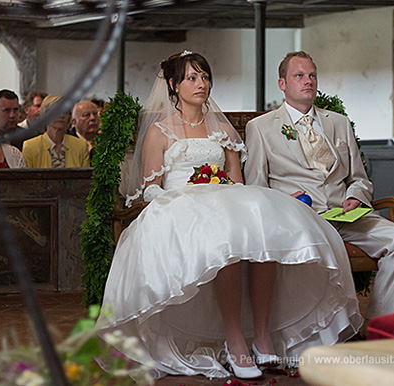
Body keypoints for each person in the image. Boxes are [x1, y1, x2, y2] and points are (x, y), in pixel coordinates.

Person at [97, 51, 362, 380]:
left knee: (264, 239)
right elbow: (151, 188)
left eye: (205, 77)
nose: (201, 84)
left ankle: (264, 341)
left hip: (224, 200)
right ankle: (236, 342)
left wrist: (219, 188)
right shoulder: (160, 132)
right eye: (192, 78)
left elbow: (238, 182)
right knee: (226, 244)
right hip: (180, 206)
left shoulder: (222, 128)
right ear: (173, 85)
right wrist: (186, 198)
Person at [244, 51, 394, 333]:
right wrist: (281, 203)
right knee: (323, 248)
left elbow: (360, 179)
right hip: (301, 220)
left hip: (347, 216)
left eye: (312, 75)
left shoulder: (339, 122)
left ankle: (379, 327)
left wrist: (356, 197)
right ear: (282, 84)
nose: (308, 81)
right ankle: (320, 331)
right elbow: (255, 188)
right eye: (299, 76)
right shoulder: (261, 128)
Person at [22, 95, 90, 168]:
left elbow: (85, 178)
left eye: (65, 111)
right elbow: (28, 178)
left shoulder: (81, 146)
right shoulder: (30, 146)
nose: (62, 115)